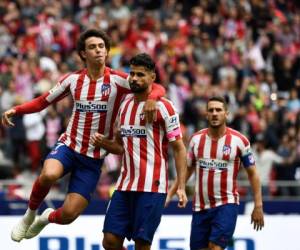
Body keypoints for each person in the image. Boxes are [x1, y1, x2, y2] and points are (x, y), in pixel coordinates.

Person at [1, 29, 165, 242]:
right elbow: (43, 101)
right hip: (69, 146)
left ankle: (45, 218)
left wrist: (153, 97)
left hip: (93, 158)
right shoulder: (73, 80)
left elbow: (156, 85)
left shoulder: (119, 80)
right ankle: (29, 215)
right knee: (49, 174)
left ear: (106, 51)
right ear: (83, 54)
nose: (98, 50)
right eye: (92, 47)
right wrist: (18, 109)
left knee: (69, 215)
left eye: (101, 46)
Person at [91, 53, 188, 250]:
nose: (134, 78)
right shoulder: (124, 105)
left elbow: (179, 148)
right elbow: (121, 147)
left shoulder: (165, 107)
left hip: (152, 187)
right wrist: (105, 143)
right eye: (132, 74)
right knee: (109, 241)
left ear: (152, 77)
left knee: (142, 245)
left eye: (141, 75)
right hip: (125, 185)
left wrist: (181, 186)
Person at [167, 96, 264, 250]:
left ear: (226, 114)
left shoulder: (240, 141)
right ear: (206, 114)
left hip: (226, 204)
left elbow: (253, 174)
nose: (214, 113)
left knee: (214, 247)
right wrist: (172, 193)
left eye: (218, 110)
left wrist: (258, 206)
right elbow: (188, 169)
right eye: (211, 110)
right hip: (200, 207)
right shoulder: (196, 140)